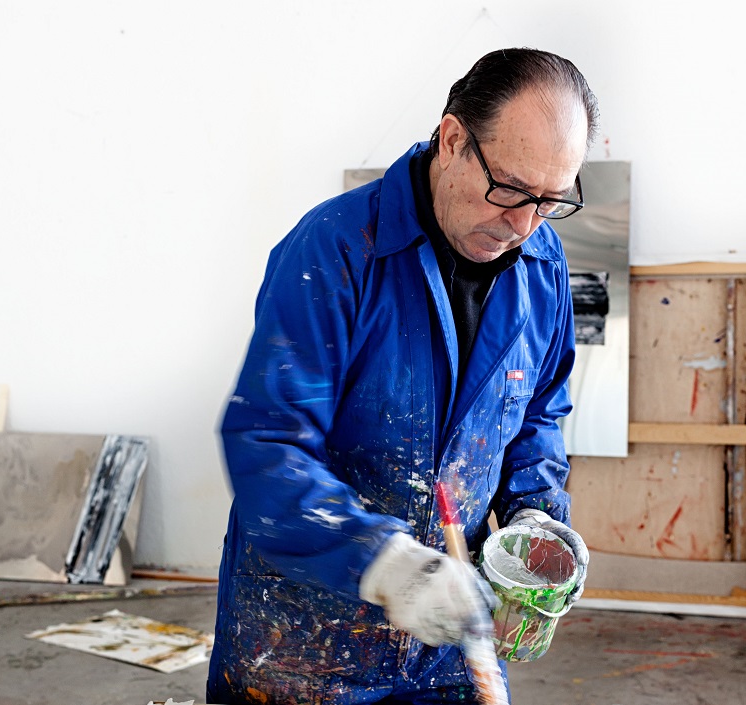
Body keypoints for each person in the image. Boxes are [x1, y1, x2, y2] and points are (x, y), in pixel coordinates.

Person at [207, 47, 599, 705]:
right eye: (508, 189)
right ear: (452, 140)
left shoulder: (542, 263)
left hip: (449, 642)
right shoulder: (332, 251)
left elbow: (537, 415)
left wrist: (537, 521)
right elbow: (265, 445)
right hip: (305, 644)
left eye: (549, 201)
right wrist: (386, 565)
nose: (522, 224)